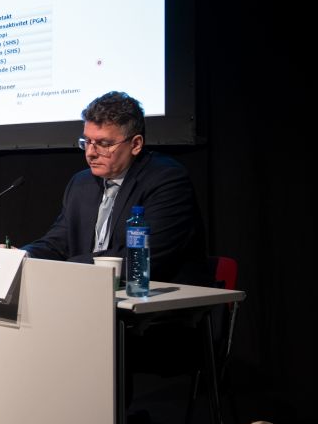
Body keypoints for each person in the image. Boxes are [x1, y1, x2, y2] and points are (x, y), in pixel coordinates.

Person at [17, 91, 206, 283]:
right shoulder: (82, 183)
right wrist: (24, 256)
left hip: (153, 300)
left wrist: (68, 266)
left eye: (103, 144)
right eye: (87, 142)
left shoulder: (166, 180)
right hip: (91, 292)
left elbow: (145, 258)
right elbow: (58, 243)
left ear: (136, 144)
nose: (90, 153)